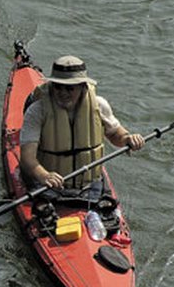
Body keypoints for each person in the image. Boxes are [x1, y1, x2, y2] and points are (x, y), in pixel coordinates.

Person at [19, 55, 145, 192]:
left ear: (82, 86)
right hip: (46, 185)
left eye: (69, 88)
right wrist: (44, 176)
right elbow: (27, 158)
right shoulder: (37, 110)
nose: (63, 93)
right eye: (58, 87)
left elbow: (116, 135)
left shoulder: (99, 105)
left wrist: (128, 139)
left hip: (90, 184)